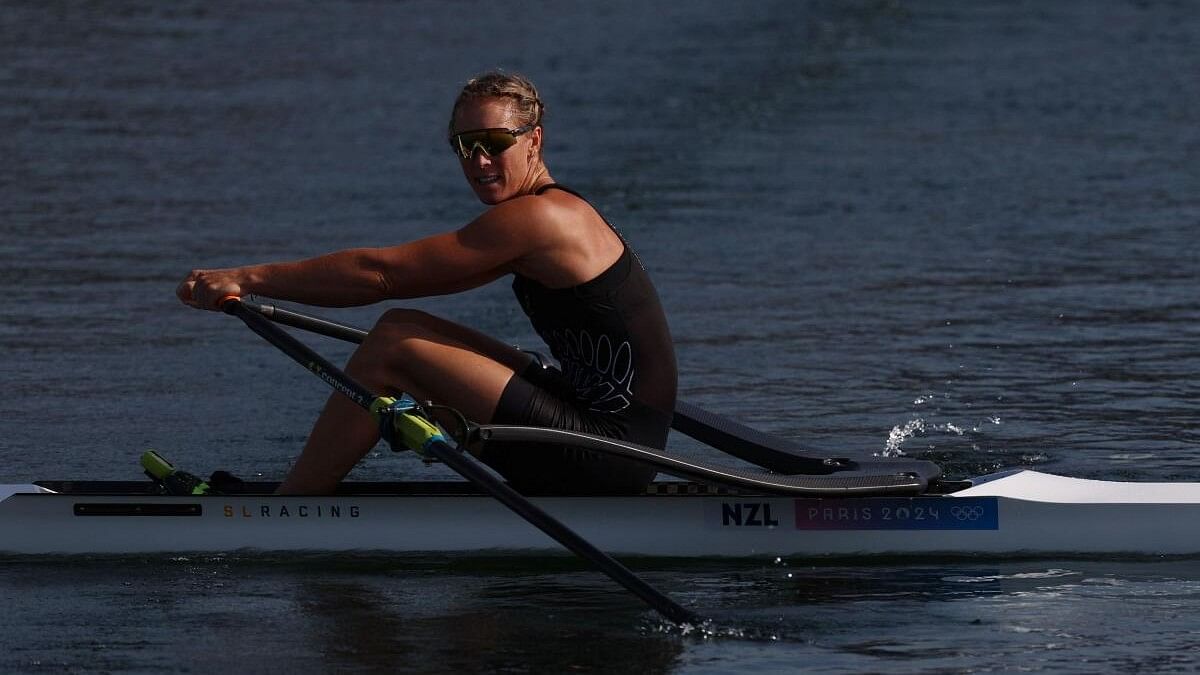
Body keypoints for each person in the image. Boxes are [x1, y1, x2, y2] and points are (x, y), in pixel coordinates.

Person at [177, 71, 677, 496]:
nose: (479, 161)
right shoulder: (551, 214)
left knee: (391, 345)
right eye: (465, 145)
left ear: (534, 141)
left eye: (496, 143)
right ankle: (305, 494)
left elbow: (380, 275)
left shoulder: (540, 219)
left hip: (606, 453)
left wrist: (248, 278)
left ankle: (287, 509)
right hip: (609, 432)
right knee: (403, 325)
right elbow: (398, 286)